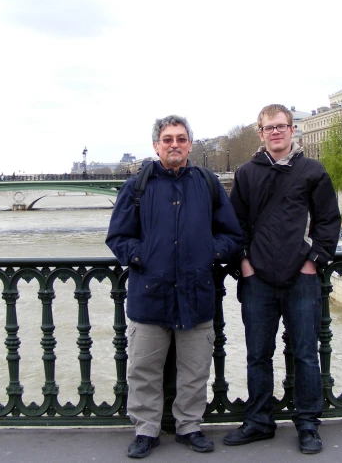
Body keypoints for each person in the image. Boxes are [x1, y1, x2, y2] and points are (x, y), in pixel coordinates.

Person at [106, 115, 244, 459]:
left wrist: (210, 251)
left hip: (195, 293)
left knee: (195, 369)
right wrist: (143, 257)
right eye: (167, 139)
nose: (174, 145)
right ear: (156, 146)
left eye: (181, 139)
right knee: (144, 370)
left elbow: (232, 234)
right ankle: (145, 430)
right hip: (150, 293)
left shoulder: (207, 183)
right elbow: (118, 237)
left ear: (190, 145)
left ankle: (190, 426)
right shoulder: (136, 186)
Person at [224, 104, 340, 455]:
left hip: (300, 277)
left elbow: (328, 220)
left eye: (281, 126)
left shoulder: (312, 171)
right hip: (257, 278)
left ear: (292, 130)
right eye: (268, 128)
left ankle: (307, 424)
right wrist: (243, 265)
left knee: (305, 353)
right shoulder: (246, 174)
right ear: (260, 134)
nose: (275, 132)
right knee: (259, 354)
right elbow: (234, 225)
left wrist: (313, 262)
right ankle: (259, 421)